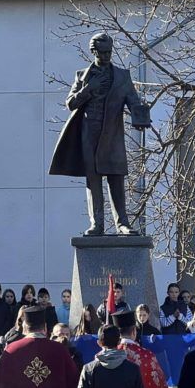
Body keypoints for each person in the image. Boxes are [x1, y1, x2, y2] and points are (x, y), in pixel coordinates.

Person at [48, 31, 148, 236]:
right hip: (89, 134)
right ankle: (97, 224)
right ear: (93, 51)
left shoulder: (122, 76)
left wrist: (140, 118)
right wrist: (88, 89)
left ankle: (123, 224)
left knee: (116, 179)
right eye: (102, 52)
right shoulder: (82, 76)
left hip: (113, 135)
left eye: (109, 52)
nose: (106, 56)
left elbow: (133, 101)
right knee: (94, 181)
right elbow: (70, 103)